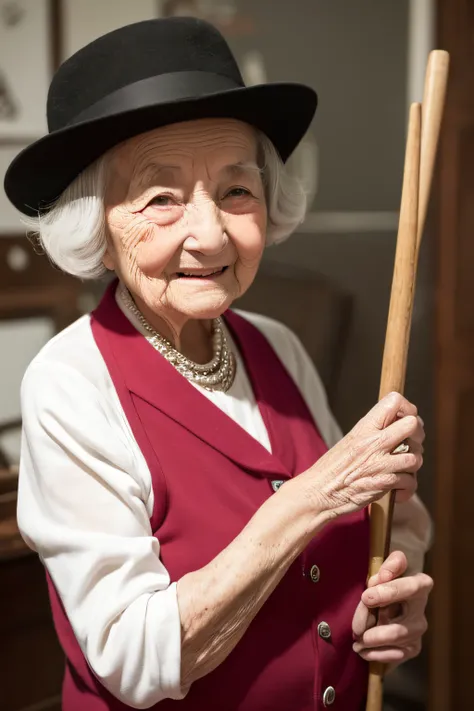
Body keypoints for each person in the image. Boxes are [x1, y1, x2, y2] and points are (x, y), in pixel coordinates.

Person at [4, 16, 433, 711]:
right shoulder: (70, 385)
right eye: (162, 199)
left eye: (236, 190)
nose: (210, 234)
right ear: (97, 229)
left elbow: (370, 537)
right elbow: (133, 656)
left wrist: (388, 596)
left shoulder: (276, 344)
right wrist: (318, 491)